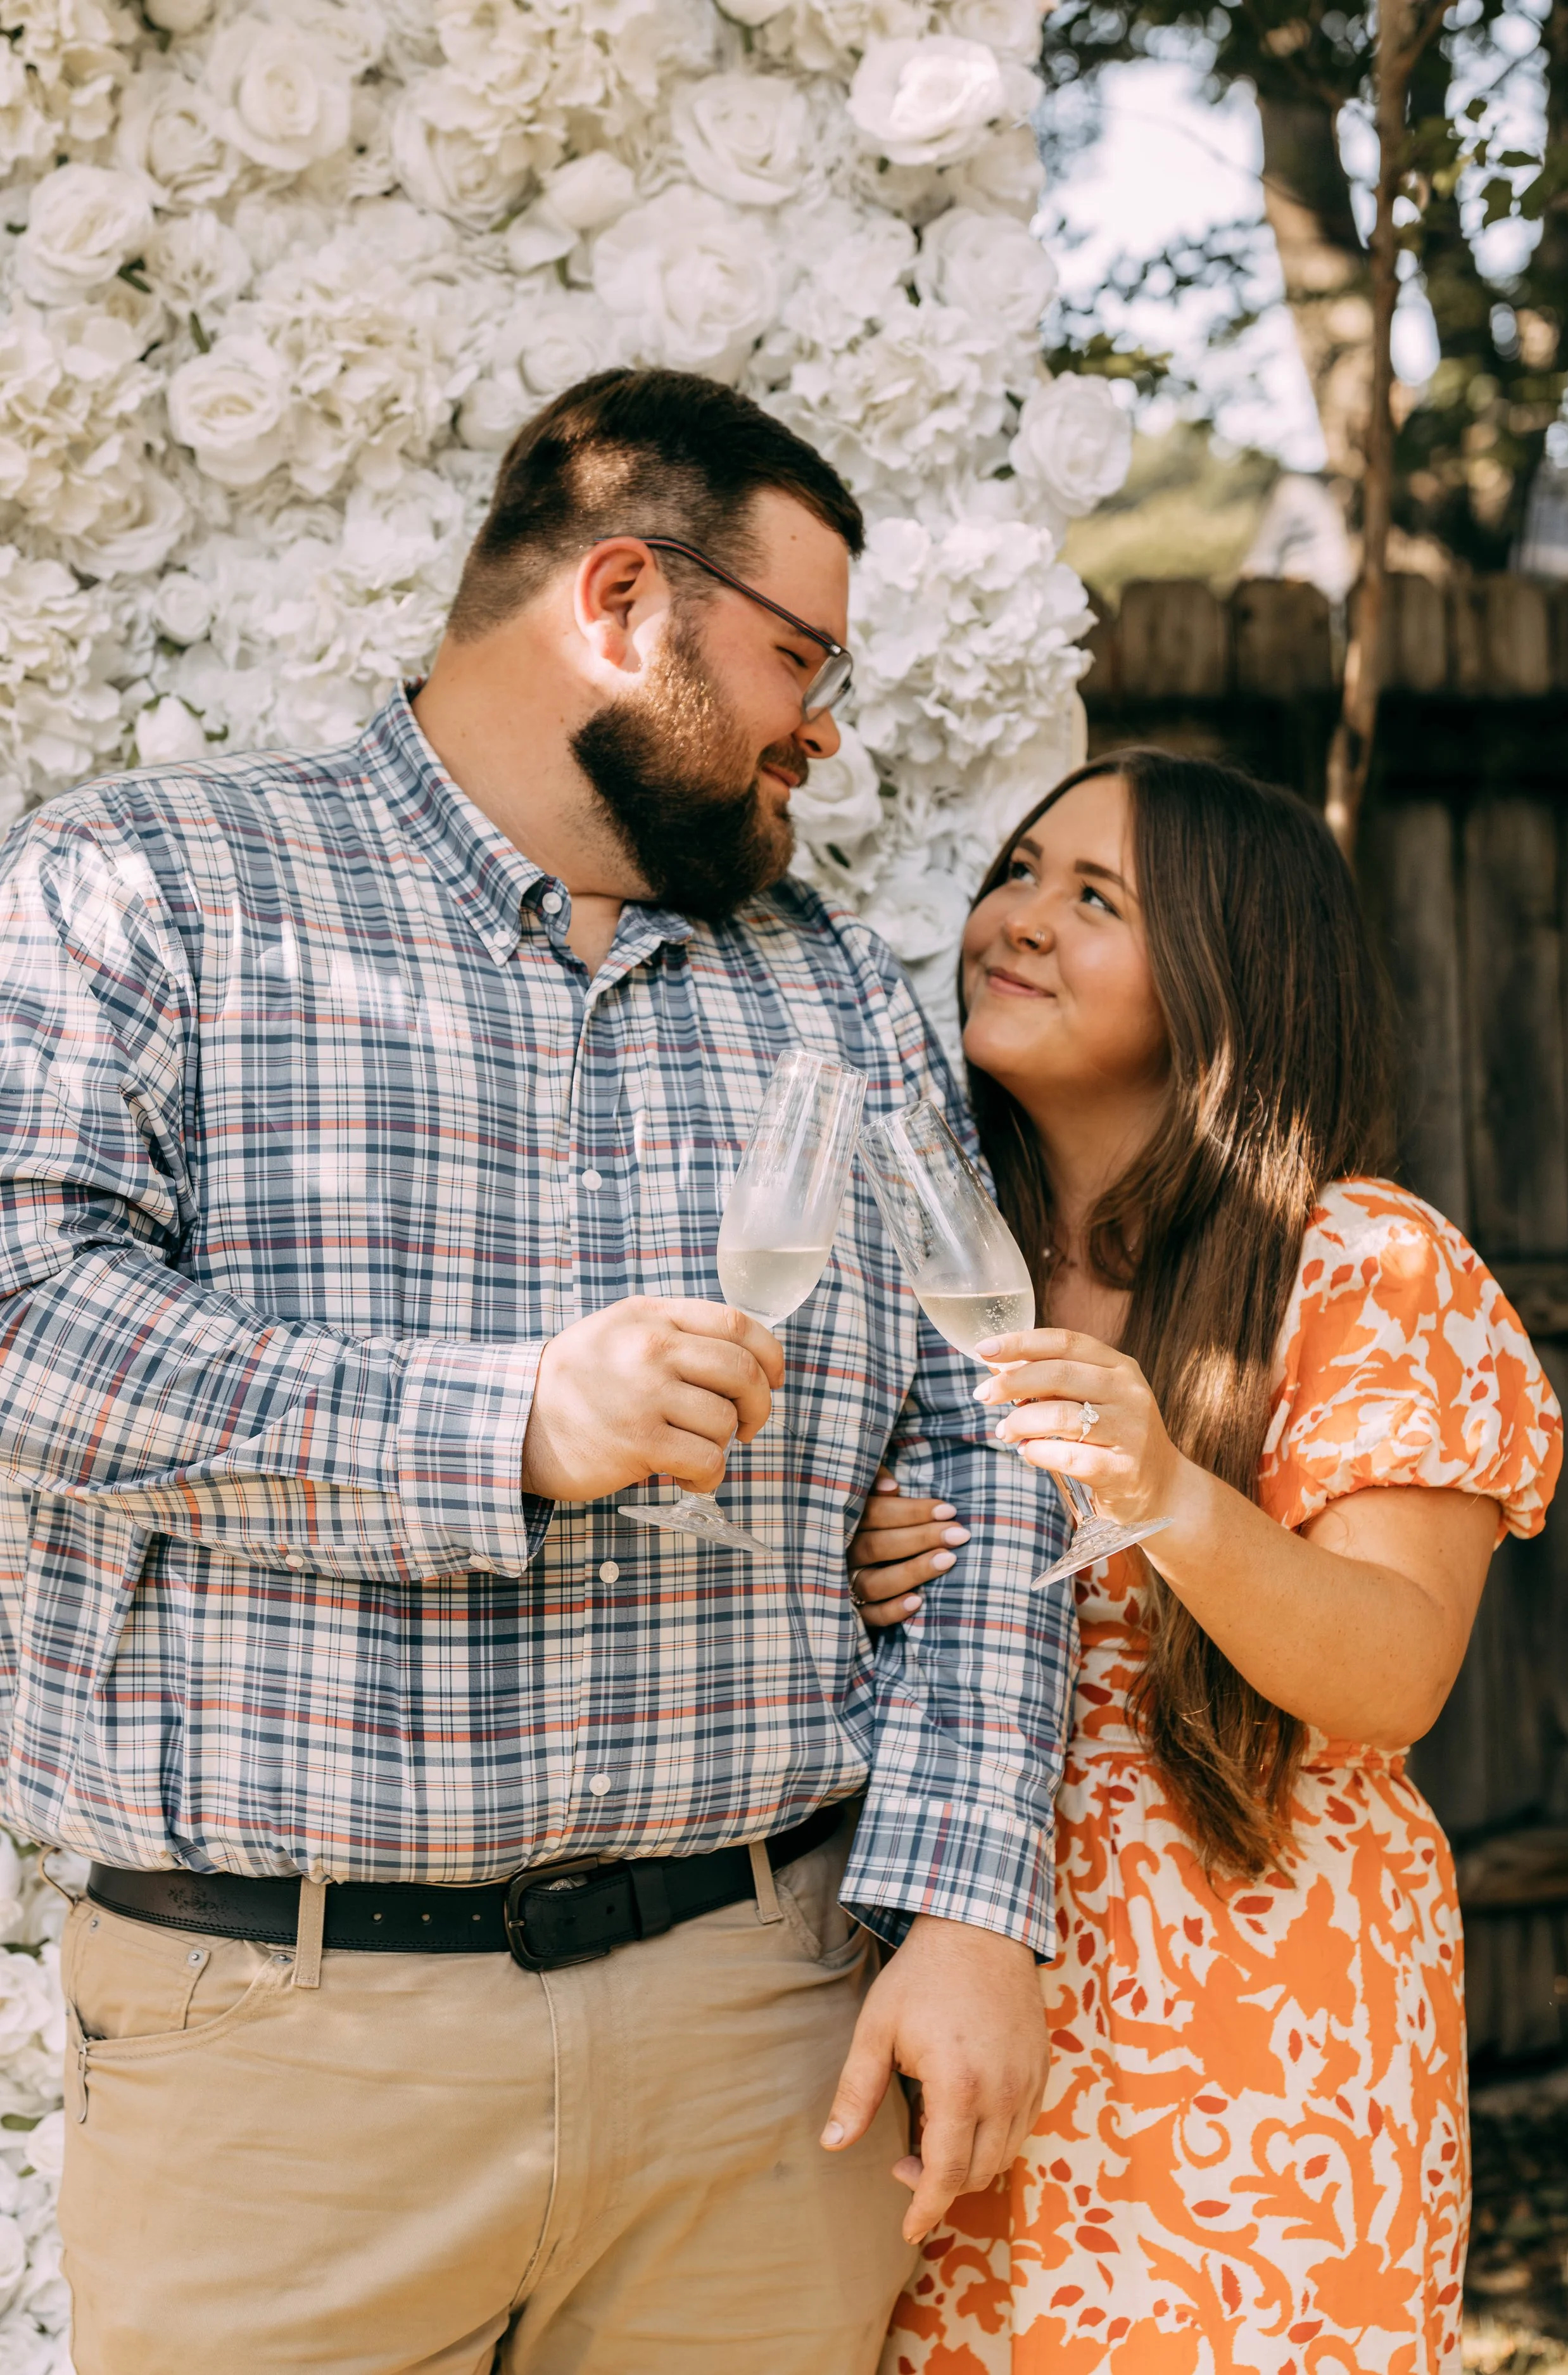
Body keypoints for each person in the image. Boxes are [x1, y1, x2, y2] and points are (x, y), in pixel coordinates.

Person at [0, 368, 1077, 2375]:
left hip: (766, 2040)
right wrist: (494, 1425)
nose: (820, 727)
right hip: (285, 2063)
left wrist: (969, 1902)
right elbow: (21, 1316)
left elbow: (998, 1423)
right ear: (617, 598)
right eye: (794, 656)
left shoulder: (830, 984)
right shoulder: (148, 884)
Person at [848, 751, 1563, 2372]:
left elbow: (1393, 1672)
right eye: (1017, 873)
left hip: (1260, 2023)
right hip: (945, 1981)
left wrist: (1166, 1494)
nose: (1015, 922)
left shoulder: (1362, 1264)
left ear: (1228, 978)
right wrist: (867, 1570)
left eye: (1093, 899)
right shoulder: (927, 1259)